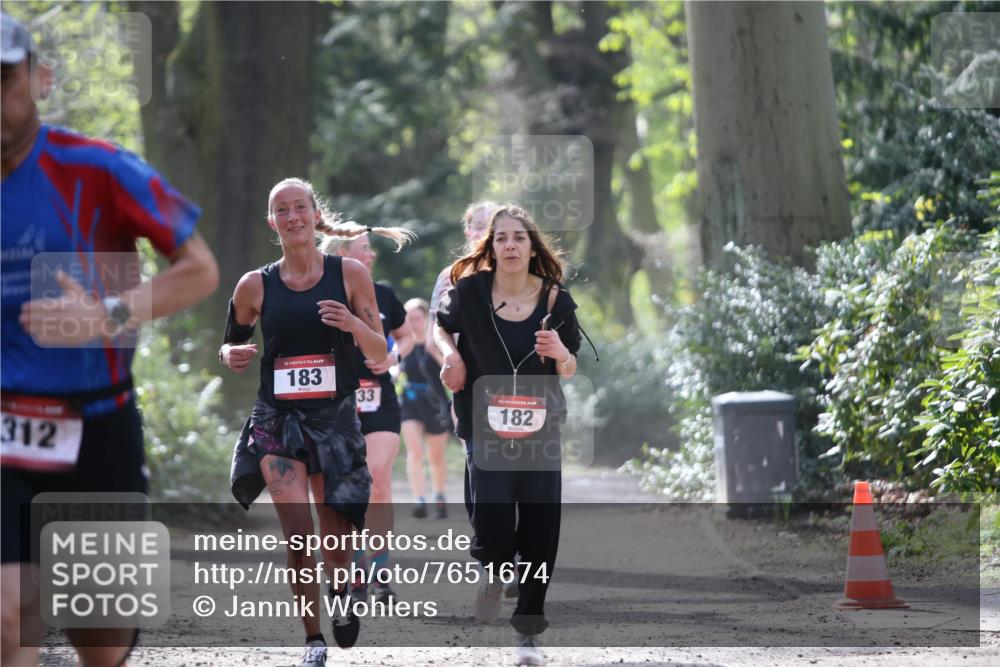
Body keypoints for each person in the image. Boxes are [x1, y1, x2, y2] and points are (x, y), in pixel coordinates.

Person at [1, 12, 220, 667]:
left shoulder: (95, 167)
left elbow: (200, 270)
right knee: (8, 612)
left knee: (99, 636)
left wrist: (108, 313)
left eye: (2, 79)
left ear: (38, 79)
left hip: (96, 425)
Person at [222, 178, 410, 667]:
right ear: (272, 222)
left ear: (315, 215)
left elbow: (380, 351)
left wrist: (353, 324)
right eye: (282, 210)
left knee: (335, 537)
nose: (293, 217)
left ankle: (341, 589)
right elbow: (231, 339)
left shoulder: (349, 274)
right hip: (276, 419)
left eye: (300, 207)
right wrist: (231, 354)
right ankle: (312, 639)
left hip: (333, 418)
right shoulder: (254, 285)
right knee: (298, 533)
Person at [434, 203, 582, 667]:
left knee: (540, 530)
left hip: (541, 429)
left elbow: (571, 367)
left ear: (532, 246)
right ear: (491, 247)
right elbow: (440, 327)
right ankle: (497, 570)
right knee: (492, 520)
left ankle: (528, 632)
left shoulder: (555, 300)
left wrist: (560, 352)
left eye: (519, 237)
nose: (510, 245)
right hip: (485, 424)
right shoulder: (470, 292)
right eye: (501, 238)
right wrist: (452, 357)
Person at [321, 229, 414, 605]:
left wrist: (393, 357)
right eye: (364, 248)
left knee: (377, 480)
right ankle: (354, 569)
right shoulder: (321, 297)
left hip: (380, 401)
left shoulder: (384, 294)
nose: (372, 255)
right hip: (336, 403)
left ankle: (379, 571)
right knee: (346, 487)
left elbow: (406, 336)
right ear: (342, 253)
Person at [399, 298, 453, 519]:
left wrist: (436, 352)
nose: (413, 323)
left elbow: (450, 367)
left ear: (426, 319)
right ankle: (419, 499)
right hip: (410, 402)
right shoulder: (402, 344)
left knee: (435, 456)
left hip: (435, 403)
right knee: (415, 452)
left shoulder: (436, 342)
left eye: (417, 318)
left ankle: (439, 495)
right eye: (409, 319)